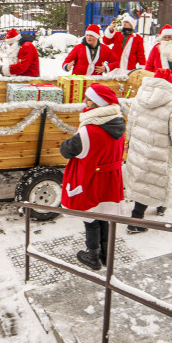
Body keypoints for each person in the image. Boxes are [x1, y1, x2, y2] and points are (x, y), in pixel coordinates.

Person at [60, 83, 126, 271]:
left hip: (91, 180)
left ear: (97, 104)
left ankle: (92, 255)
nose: (85, 101)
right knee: (104, 215)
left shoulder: (88, 131)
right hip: (110, 180)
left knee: (90, 219)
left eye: (88, 99)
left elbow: (67, 150)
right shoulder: (119, 124)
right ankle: (106, 253)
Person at [123, 69, 172, 233]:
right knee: (159, 180)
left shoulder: (140, 96)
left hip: (140, 148)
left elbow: (131, 122)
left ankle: (145, 212)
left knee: (144, 181)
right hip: (161, 151)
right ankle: (136, 219)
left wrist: (129, 141)